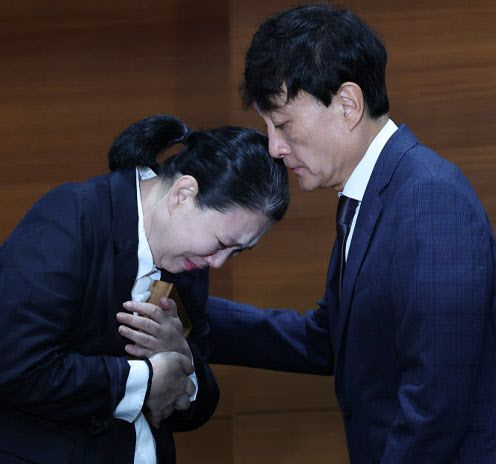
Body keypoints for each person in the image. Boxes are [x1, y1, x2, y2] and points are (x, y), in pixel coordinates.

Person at [201, 4, 496, 463]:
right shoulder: (371, 195)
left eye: (283, 124)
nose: (274, 148)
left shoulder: (431, 200)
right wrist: (189, 313)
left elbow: (435, 405)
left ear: (348, 105)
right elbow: (328, 339)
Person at [0, 114, 289, 464]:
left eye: (238, 251)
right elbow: (16, 366)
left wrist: (181, 359)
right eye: (221, 243)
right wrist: (146, 380)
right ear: (183, 193)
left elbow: (197, 401)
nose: (219, 263)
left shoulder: (189, 262)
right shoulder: (72, 218)